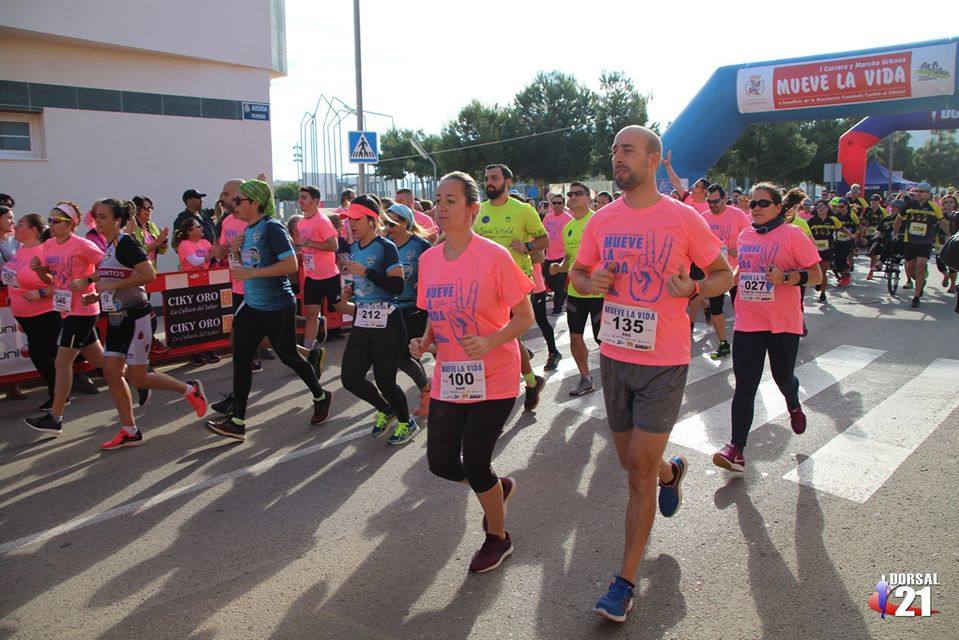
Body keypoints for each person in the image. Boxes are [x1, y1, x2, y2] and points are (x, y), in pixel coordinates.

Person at [570, 126, 732, 623]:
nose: (618, 158)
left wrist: (694, 287)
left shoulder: (682, 218)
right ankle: (672, 471)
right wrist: (589, 279)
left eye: (628, 151)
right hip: (616, 357)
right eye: (615, 150)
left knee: (636, 471)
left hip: (664, 362)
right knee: (632, 462)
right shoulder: (602, 220)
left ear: (654, 159)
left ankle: (623, 583)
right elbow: (577, 273)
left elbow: (723, 273)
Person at [411, 171, 535, 573]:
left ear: (472, 209)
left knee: (476, 462)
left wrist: (491, 341)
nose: (441, 208)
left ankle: (498, 539)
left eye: (451, 200)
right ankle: (496, 492)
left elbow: (524, 317)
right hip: (450, 375)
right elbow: (433, 313)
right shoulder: (428, 259)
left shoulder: (493, 257)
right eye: (438, 200)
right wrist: (425, 341)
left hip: (495, 374)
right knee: (442, 463)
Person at [205, 180, 333, 441]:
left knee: (288, 355)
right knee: (241, 359)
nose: (233, 204)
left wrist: (252, 271)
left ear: (255, 203)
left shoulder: (272, 228)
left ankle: (321, 395)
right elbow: (251, 265)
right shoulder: (248, 229)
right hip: (252, 305)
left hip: (277, 305)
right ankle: (237, 422)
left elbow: (289, 264)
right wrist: (238, 253)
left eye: (239, 200)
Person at [713, 183, 823, 473]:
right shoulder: (746, 235)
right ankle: (736, 449)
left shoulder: (793, 235)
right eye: (753, 204)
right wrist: (732, 278)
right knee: (745, 385)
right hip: (748, 322)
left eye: (763, 204)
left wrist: (786, 277)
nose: (757, 209)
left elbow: (816, 275)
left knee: (782, 377)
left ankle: (793, 401)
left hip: (782, 324)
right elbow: (744, 269)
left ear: (778, 207)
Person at [85, 199, 208, 449]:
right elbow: (113, 278)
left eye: (103, 217)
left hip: (137, 318)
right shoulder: (110, 246)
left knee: (139, 379)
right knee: (111, 372)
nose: (97, 221)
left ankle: (189, 389)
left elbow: (149, 275)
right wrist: (97, 293)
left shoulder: (126, 243)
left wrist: (113, 286)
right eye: (96, 216)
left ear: (117, 220)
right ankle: (129, 430)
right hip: (118, 317)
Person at [334, 194, 418, 445]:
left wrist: (367, 272)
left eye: (356, 220)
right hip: (362, 320)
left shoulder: (386, 247)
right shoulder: (354, 248)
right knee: (350, 377)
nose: (351, 225)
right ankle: (386, 408)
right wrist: (351, 290)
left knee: (384, 379)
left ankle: (406, 421)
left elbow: (396, 285)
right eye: (349, 220)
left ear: (371, 220)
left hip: (387, 322)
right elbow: (360, 281)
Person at [474, 163, 548, 411]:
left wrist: (526, 247)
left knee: (505, 333)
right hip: (484, 283)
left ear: (508, 182)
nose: (489, 183)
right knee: (502, 334)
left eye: (494, 178)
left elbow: (544, 239)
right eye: (486, 178)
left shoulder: (523, 210)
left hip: (515, 281)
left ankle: (523, 382)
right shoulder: (479, 211)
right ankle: (530, 381)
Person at [2, 213, 58, 408]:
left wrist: (41, 293)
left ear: (33, 229)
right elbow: (17, 277)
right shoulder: (20, 250)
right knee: (43, 354)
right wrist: (13, 293)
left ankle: (58, 395)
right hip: (24, 315)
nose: (16, 227)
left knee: (42, 354)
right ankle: (59, 391)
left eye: (21, 224)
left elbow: (62, 284)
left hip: (45, 313)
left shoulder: (45, 252)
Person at [550, 181, 600, 395]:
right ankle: (585, 378)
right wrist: (559, 267)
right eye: (570, 194)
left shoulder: (598, 221)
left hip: (600, 292)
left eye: (578, 193)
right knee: (575, 337)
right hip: (575, 293)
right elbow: (569, 260)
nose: (572, 197)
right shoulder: (568, 227)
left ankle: (616, 377)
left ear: (588, 197)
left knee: (603, 340)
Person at [383, 203, 433, 417]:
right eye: (385, 223)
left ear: (405, 223)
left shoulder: (420, 246)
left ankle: (426, 392)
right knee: (395, 357)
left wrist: (424, 282)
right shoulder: (386, 246)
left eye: (391, 223)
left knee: (405, 356)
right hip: (391, 309)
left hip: (415, 309)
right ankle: (421, 392)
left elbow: (438, 272)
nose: (387, 227)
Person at [700, 184, 751, 359]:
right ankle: (722, 343)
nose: (712, 205)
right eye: (709, 201)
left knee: (742, 309)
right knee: (716, 310)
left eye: (715, 201)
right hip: (715, 272)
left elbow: (752, 236)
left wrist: (737, 251)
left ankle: (744, 344)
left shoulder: (737, 215)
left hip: (738, 271)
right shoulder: (703, 218)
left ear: (724, 199)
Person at [295, 185, 339, 369]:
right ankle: (308, 352)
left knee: (340, 306)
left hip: (328, 274)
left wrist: (309, 243)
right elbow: (304, 246)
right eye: (300, 197)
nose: (300, 201)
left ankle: (366, 320)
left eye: (304, 197)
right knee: (312, 313)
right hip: (312, 276)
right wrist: (300, 251)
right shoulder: (301, 223)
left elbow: (334, 245)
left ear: (315, 201)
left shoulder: (322, 221)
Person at [894, 182, 949, 308]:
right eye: (916, 191)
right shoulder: (908, 205)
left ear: (928, 194)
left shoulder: (934, 207)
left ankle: (916, 297)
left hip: (925, 242)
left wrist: (948, 235)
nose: (918, 193)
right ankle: (921, 282)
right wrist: (895, 233)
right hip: (910, 241)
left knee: (920, 267)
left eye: (921, 191)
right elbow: (898, 219)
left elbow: (943, 222)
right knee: (912, 271)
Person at [174, 218, 220, 364]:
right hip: (190, 286)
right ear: (189, 231)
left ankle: (208, 348)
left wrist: (215, 255)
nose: (201, 229)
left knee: (207, 318)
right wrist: (210, 255)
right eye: (198, 227)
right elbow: (194, 261)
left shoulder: (205, 243)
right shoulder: (184, 245)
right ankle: (194, 352)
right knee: (193, 319)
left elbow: (214, 259)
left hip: (206, 283)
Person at [542, 192, 573, 315]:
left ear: (563, 204)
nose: (556, 205)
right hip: (549, 255)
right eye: (554, 203)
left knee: (559, 283)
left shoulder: (568, 219)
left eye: (559, 203)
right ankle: (562, 294)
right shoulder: (548, 217)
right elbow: (543, 233)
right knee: (549, 280)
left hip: (562, 256)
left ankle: (557, 307)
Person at [808, 201, 841, 303]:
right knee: (816, 271)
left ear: (827, 209)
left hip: (827, 250)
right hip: (814, 250)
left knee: (823, 272)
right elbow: (804, 233)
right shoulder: (811, 221)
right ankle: (818, 280)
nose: (820, 209)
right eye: (818, 207)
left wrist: (851, 235)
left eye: (823, 207)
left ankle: (823, 293)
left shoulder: (832, 221)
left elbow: (842, 229)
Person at [128, 196, 169, 266]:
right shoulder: (131, 226)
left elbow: (161, 251)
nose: (150, 210)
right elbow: (136, 251)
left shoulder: (151, 226)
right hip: (137, 270)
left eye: (151, 207)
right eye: (146, 207)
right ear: (137, 209)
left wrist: (163, 243)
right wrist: (157, 242)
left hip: (151, 269)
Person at [830, 197, 859, 285]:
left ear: (846, 206)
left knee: (842, 257)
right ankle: (842, 275)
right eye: (838, 206)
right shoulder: (836, 216)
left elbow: (859, 225)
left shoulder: (852, 215)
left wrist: (858, 237)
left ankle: (846, 275)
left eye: (842, 206)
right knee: (837, 258)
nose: (839, 208)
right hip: (838, 240)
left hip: (849, 240)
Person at [862, 195, 887, 279]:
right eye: (872, 200)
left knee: (873, 253)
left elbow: (887, 222)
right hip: (868, 233)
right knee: (869, 253)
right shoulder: (867, 210)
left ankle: (871, 272)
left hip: (879, 233)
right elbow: (863, 221)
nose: (873, 202)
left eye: (875, 200)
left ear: (879, 202)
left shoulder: (883, 211)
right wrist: (861, 234)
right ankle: (877, 260)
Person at [940, 194, 958, 293]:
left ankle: (953, 284)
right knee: (940, 262)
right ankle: (945, 275)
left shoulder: (957, 215)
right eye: (946, 202)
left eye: (951, 202)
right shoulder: (940, 215)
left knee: (952, 264)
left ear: (955, 204)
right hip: (940, 241)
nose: (948, 204)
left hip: (954, 243)